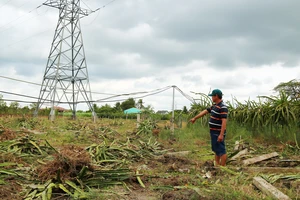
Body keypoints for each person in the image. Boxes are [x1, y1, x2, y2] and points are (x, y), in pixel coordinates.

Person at [190, 89, 228, 166]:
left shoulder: (222, 107)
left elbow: (224, 122)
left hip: (218, 132)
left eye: (212, 96)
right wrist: (195, 118)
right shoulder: (214, 106)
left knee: (221, 150)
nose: (211, 98)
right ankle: (217, 165)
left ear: (216, 96)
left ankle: (223, 168)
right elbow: (205, 111)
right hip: (213, 132)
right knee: (216, 150)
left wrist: (221, 134)